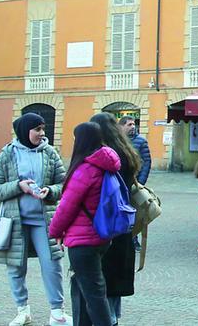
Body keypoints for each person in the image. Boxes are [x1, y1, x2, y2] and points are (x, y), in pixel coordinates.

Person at [0, 113, 72, 326]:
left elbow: (64, 184)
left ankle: (57, 313)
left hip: (44, 221)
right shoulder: (7, 154)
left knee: (52, 264)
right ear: (25, 131)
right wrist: (18, 186)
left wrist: (50, 190)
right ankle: (22, 311)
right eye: (37, 129)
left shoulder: (50, 153)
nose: (42, 133)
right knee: (16, 266)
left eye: (43, 129)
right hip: (14, 222)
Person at [49, 122, 119, 326]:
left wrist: (54, 231)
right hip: (102, 235)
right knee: (86, 287)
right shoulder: (107, 164)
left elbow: (66, 207)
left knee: (94, 294)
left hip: (83, 240)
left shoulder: (85, 170)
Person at [90, 113, 141, 325]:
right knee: (116, 276)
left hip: (106, 220)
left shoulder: (105, 155)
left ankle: (108, 319)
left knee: (105, 275)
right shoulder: (127, 152)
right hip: (124, 219)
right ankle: (114, 317)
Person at [118, 116, 149, 253]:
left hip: (134, 183)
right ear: (121, 126)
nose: (133, 127)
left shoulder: (141, 141)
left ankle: (134, 238)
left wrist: (141, 182)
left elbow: (147, 162)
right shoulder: (117, 141)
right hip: (119, 183)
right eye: (129, 124)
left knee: (135, 211)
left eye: (133, 124)